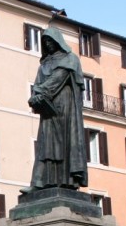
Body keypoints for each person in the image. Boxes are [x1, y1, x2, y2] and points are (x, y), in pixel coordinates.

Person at [22, 27, 87, 193]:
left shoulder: (70, 59)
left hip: (64, 107)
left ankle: (66, 183)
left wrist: (40, 92)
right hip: (48, 109)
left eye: (51, 41)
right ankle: (40, 183)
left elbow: (57, 79)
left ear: (58, 41)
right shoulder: (43, 65)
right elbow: (37, 85)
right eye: (45, 42)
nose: (49, 44)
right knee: (45, 145)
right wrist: (35, 96)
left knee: (64, 144)